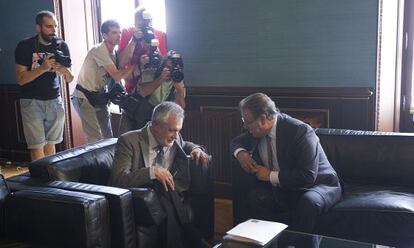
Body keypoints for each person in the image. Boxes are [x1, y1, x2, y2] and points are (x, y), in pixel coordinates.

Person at [230, 93, 342, 233]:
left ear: (263, 119)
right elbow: (236, 142)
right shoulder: (256, 132)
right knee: (256, 197)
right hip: (287, 187)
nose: (245, 126)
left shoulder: (299, 131)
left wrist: (269, 175)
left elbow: (307, 176)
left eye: (247, 121)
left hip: (319, 185)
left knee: (308, 202)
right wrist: (241, 154)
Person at [110, 101, 209, 248]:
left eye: (178, 130)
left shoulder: (174, 137)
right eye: (172, 130)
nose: (176, 136)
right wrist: (152, 172)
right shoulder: (129, 141)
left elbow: (185, 144)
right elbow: (117, 181)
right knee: (162, 192)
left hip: (167, 192)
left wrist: (196, 149)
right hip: (141, 196)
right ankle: (195, 240)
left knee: (165, 194)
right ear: (155, 126)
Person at [15, 10, 74, 161]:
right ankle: (41, 182)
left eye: (55, 26)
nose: (53, 31)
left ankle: (50, 181)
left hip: (54, 99)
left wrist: (64, 70)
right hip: (31, 100)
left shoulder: (61, 45)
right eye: (48, 26)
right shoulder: (25, 46)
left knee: (51, 144)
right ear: (38, 27)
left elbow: (70, 78)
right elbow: (20, 79)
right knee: (36, 145)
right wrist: (43, 68)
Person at [72, 20, 133, 143]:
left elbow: (120, 67)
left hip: (100, 96)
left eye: (119, 32)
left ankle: (109, 162)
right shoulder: (98, 50)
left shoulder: (113, 53)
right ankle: (95, 163)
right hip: (84, 96)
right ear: (105, 35)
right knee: (94, 138)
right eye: (114, 32)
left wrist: (134, 42)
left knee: (107, 137)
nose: (119, 35)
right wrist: (134, 66)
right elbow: (116, 76)